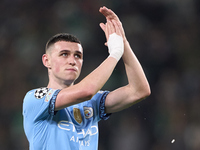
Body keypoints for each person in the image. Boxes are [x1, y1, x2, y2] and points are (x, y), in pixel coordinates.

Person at [22, 6, 150, 150]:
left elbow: (139, 91)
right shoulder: (35, 99)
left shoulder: (93, 102)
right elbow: (86, 91)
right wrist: (115, 54)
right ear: (47, 61)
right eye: (64, 54)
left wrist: (123, 44)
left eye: (78, 55)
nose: (72, 60)